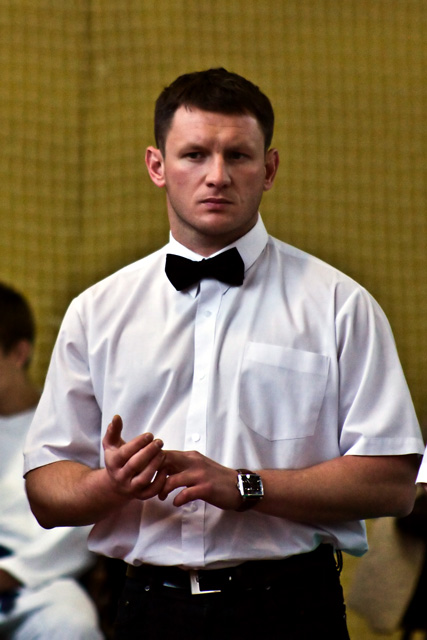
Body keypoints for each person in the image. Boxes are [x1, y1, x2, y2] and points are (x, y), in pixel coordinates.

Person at [23, 68, 424, 640]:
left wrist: (244, 486)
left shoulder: (340, 304)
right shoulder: (97, 311)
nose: (217, 175)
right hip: (147, 612)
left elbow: (393, 485)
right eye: (194, 155)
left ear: (270, 169)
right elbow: (45, 490)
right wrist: (111, 486)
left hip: (292, 612)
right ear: (157, 166)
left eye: (238, 155)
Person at [0, 282, 103, 639]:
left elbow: (79, 523)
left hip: (37, 584)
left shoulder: (64, 425)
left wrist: (12, 573)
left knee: (72, 625)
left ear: (19, 353)